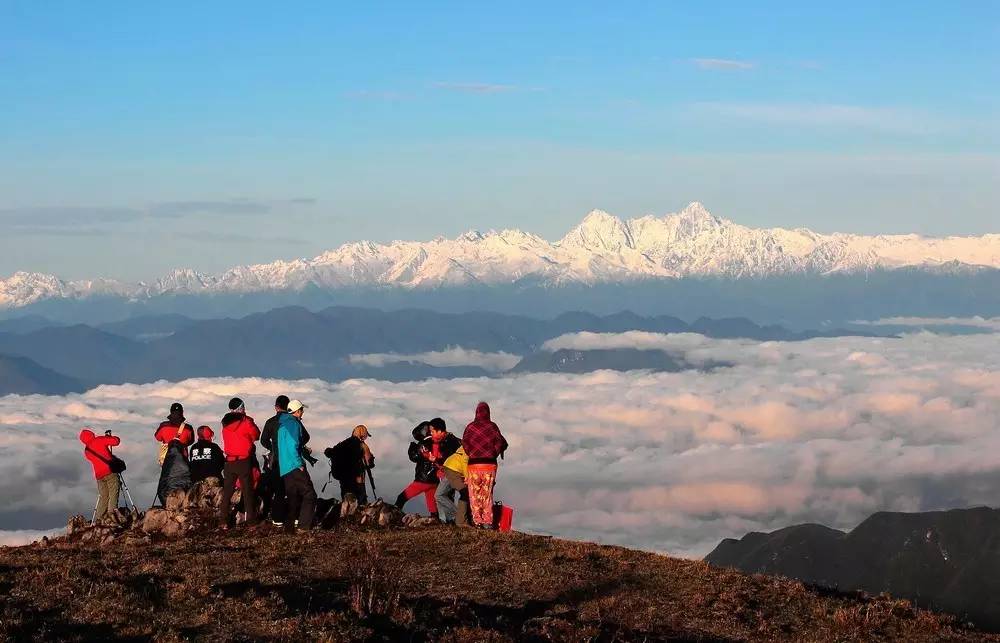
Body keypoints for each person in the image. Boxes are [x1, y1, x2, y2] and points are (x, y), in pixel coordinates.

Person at [395, 418, 461, 516]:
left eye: (433, 431)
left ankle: (394, 516)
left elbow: (414, 457)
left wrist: (413, 448)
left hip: (424, 479)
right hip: (434, 479)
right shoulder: (444, 441)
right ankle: (436, 521)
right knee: (432, 506)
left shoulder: (428, 443)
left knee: (402, 498)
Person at [462, 402, 508, 529]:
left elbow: (465, 443)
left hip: (474, 465)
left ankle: (477, 521)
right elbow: (500, 442)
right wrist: (493, 453)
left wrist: (471, 453)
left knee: (474, 494)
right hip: (489, 465)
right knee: (486, 494)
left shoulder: (470, 427)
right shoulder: (493, 426)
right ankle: (488, 522)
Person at [219, 397, 261, 528]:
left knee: (227, 493)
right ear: (241, 408)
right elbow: (256, 435)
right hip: (243, 461)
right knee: (248, 492)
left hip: (229, 461)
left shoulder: (225, 424)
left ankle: (223, 521)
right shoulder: (246, 421)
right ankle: (251, 522)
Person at [277, 399, 316, 533]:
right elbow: (293, 445)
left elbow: (284, 447)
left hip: (285, 468)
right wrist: (299, 463)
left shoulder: (282, 425)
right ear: (297, 411)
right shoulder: (294, 424)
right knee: (309, 494)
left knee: (293, 498)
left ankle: (289, 528)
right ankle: (303, 526)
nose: (303, 412)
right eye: (301, 410)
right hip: (294, 465)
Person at [154, 402, 195, 505]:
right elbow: (191, 441)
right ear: (182, 412)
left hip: (167, 459)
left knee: (167, 481)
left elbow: (158, 437)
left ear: (171, 412)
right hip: (183, 459)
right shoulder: (188, 428)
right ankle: (183, 502)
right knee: (183, 482)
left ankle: (167, 503)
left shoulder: (163, 426)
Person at [325, 425, 375, 504]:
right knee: (360, 502)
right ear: (363, 434)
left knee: (347, 501)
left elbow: (330, 452)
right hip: (357, 479)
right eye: (366, 435)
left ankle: (346, 515)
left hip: (343, 478)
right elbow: (369, 463)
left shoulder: (344, 443)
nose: (366, 437)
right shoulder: (362, 445)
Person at [260, 395, 290, 525]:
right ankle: (291, 516)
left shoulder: (270, 422)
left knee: (277, 489)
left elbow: (263, 440)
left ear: (276, 407)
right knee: (289, 489)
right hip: (290, 459)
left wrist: (272, 448)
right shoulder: (292, 421)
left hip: (275, 460)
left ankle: (275, 517)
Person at [80, 428, 121, 522]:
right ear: (91, 434)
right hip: (110, 471)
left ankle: (100, 518)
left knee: (104, 496)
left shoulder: (87, 451)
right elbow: (116, 441)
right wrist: (108, 438)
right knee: (113, 492)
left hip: (99, 476)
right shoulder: (99, 440)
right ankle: (112, 515)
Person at [436, 445, 470, 526]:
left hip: (449, 466)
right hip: (455, 469)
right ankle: (459, 519)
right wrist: (467, 476)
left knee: (439, 495)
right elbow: (465, 460)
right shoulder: (471, 443)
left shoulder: (467, 442)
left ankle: (452, 519)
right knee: (464, 493)